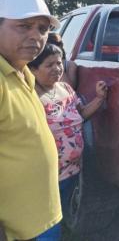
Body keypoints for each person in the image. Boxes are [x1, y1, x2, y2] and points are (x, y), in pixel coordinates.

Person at [28, 43, 108, 241]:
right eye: (49, 65)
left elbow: (81, 114)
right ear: (33, 69)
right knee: (47, 222)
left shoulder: (65, 89)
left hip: (71, 172)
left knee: (63, 211)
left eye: (59, 63)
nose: (57, 68)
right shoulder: (31, 97)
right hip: (46, 176)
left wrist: (99, 98)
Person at [0, 0, 62, 241]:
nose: (36, 35)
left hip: (43, 219)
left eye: (42, 28)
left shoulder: (23, 72)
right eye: (24, 26)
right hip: (17, 231)